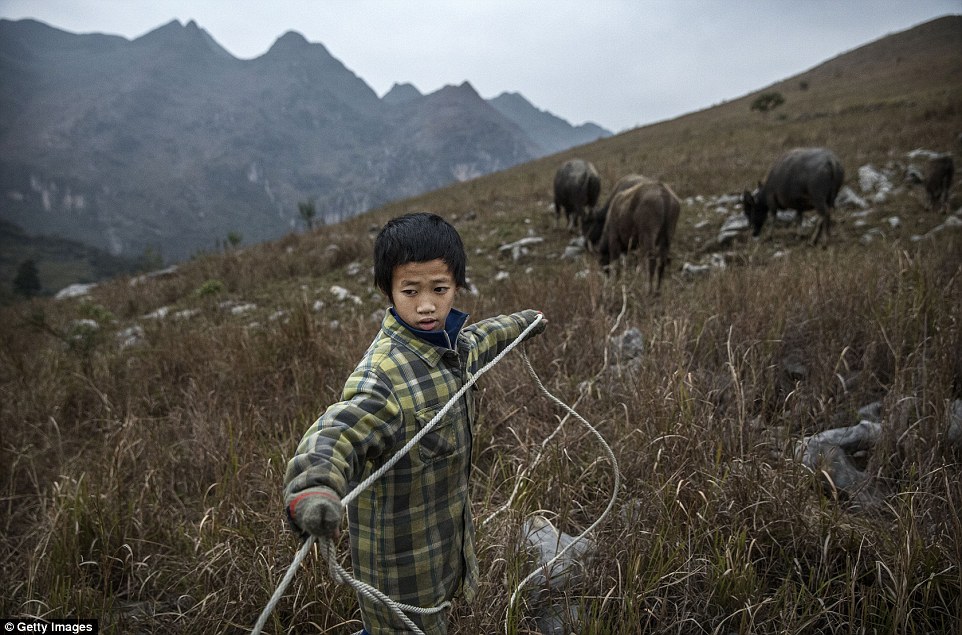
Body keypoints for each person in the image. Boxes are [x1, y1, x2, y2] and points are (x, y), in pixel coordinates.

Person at [283, 212, 547, 634]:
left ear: (456, 286)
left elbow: (484, 336)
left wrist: (525, 323)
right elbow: (337, 432)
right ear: (388, 290)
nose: (426, 304)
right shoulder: (381, 377)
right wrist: (314, 488)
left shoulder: (455, 347)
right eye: (410, 290)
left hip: (443, 548)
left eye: (439, 289)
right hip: (397, 568)